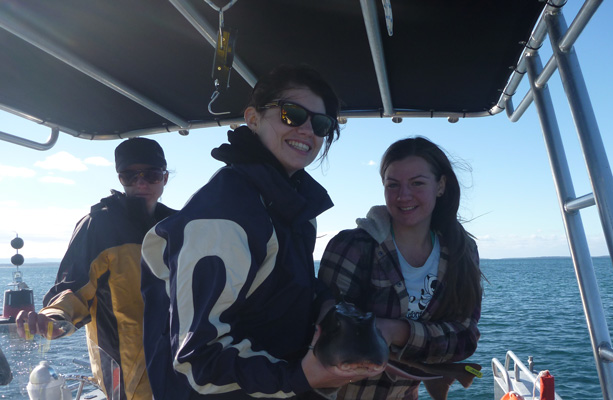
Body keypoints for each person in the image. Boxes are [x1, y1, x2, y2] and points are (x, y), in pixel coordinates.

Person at [141, 64, 379, 400]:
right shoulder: (223, 218)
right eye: (292, 114)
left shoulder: (292, 207)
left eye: (321, 123)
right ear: (253, 118)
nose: (308, 129)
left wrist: (328, 310)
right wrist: (299, 377)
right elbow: (199, 360)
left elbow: (290, 290)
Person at [318, 137, 483, 400]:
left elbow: (465, 336)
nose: (403, 195)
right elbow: (323, 332)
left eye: (417, 183)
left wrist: (397, 331)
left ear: (441, 186)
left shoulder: (462, 251)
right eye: (392, 185)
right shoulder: (351, 246)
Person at [16, 137, 175, 400]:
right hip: (126, 384)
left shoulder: (178, 225)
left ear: (165, 178)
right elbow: (72, 290)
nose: (142, 182)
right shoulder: (98, 225)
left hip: (182, 373)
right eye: (129, 176)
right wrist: (52, 317)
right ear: (120, 179)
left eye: (152, 174)